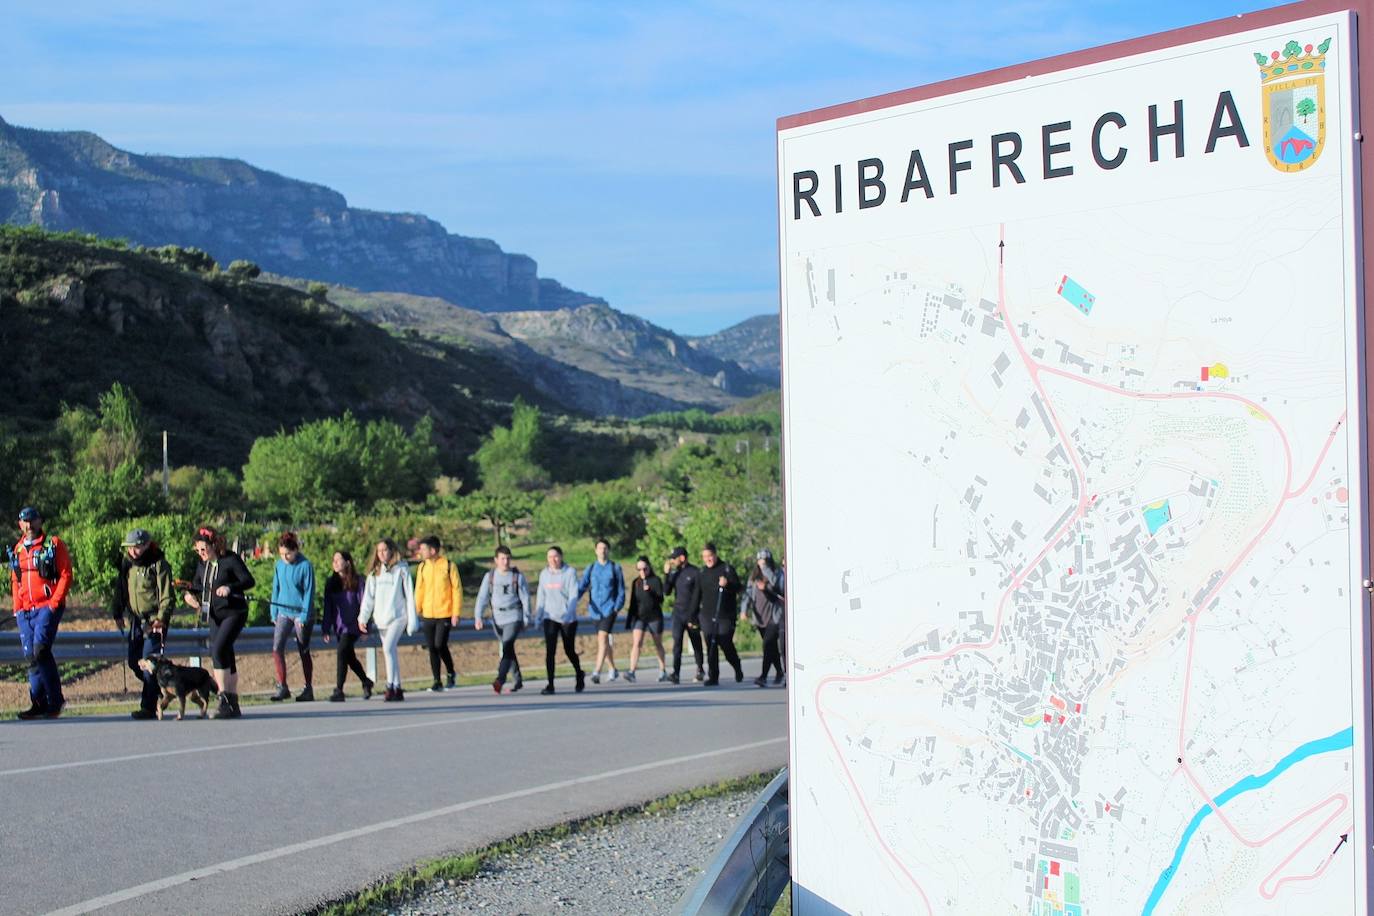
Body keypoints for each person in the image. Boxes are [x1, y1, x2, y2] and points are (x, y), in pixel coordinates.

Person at [183, 526, 255, 719]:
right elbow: (196, 586)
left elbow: (248, 581)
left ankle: (223, 698)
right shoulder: (202, 565)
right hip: (214, 614)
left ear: (213, 545)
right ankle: (232, 700)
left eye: (203, 549)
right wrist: (189, 596)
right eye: (197, 550)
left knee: (218, 649)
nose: (201, 553)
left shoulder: (230, 560)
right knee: (225, 653)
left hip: (234, 612)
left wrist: (230, 587)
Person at [10, 506, 73, 719]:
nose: (28, 526)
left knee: (41, 650)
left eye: (32, 521)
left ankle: (55, 702)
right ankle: (38, 703)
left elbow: (66, 574)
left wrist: (55, 602)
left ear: (39, 521)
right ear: (20, 524)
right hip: (25, 611)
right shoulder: (18, 549)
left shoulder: (53, 544)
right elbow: (15, 580)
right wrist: (17, 608)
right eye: (24, 522)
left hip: (47, 606)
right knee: (31, 656)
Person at [114, 528, 174, 720]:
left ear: (147, 545)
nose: (133, 551)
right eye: (130, 547)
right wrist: (117, 612)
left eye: (137, 547)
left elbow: (167, 595)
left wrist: (161, 618)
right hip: (135, 622)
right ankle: (157, 689)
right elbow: (121, 589)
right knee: (134, 662)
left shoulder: (158, 564)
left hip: (153, 621)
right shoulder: (127, 564)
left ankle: (147, 707)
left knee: (149, 664)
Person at [359, 538, 418, 702]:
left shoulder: (402, 569)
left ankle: (390, 685)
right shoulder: (374, 573)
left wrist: (412, 620)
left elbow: (409, 596)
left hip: (398, 617)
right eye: (379, 551)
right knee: (390, 652)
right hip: (381, 618)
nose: (382, 553)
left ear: (392, 550)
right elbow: (368, 599)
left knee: (387, 649)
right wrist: (363, 618)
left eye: (385, 550)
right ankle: (398, 688)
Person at [475, 545, 531, 694]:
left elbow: (525, 598)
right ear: (496, 560)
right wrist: (478, 616)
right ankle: (518, 680)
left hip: (514, 616)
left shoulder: (517, 576)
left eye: (507, 558)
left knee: (506, 646)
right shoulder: (490, 576)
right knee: (508, 648)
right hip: (497, 618)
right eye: (502, 558)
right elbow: (482, 597)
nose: (505, 561)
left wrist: (526, 617)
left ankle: (500, 679)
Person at [321, 550, 374, 702]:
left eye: (338, 560)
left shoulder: (358, 581)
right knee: (349, 656)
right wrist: (326, 628)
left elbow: (365, 604)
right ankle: (366, 681)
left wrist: (366, 626)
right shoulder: (331, 584)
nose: (335, 563)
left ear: (347, 562)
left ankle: (339, 690)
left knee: (342, 651)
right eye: (334, 560)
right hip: (339, 626)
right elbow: (328, 607)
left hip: (354, 625)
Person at [270, 532, 316, 702]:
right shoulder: (279, 565)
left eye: (288, 553)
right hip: (283, 611)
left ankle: (308, 687)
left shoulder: (305, 565)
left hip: (300, 613)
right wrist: (273, 611)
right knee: (277, 648)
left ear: (295, 550)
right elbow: (276, 588)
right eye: (281, 554)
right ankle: (282, 686)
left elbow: (309, 592)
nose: (285, 557)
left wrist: (304, 616)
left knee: (303, 650)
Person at [534, 545, 584, 695]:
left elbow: (574, 595)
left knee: (569, 650)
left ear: (561, 556)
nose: (553, 560)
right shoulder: (544, 574)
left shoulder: (569, 572)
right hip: (550, 617)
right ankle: (550, 684)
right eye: (550, 557)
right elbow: (541, 596)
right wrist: (538, 616)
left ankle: (579, 673)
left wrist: (569, 615)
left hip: (567, 618)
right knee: (550, 651)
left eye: (555, 556)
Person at [415, 535, 462, 691]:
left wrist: (456, 612)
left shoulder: (449, 566)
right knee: (431, 647)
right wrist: (416, 610)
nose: (420, 552)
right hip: (428, 613)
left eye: (423, 549)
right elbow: (419, 590)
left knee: (439, 644)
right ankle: (436, 680)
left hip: (445, 612)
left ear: (433, 550)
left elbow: (456, 590)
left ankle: (450, 672)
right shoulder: (422, 567)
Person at [577, 538, 625, 684]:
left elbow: (621, 590)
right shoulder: (591, 568)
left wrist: (617, 607)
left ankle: (596, 671)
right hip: (595, 610)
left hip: (609, 609)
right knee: (603, 641)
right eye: (600, 548)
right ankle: (612, 669)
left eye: (605, 548)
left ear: (608, 550)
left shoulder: (615, 568)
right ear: (595, 550)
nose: (602, 551)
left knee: (602, 639)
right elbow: (582, 587)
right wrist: (573, 602)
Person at [698, 542, 743, 686]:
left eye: (710, 556)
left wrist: (727, 584)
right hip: (707, 615)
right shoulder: (703, 572)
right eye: (705, 557)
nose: (708, 559)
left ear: (715, 555)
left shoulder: (726, 569)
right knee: (711, 646)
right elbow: (696, 595)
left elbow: (738, 588)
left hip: (725, 615)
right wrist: (692, 615)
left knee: (725, 644)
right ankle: (713, 676)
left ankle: (736, 666)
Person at [745, 549, 786, 687]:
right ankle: (780, 672)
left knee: (767, 644)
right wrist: (744, 610)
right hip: (760, 617)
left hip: (774, 616)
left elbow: (779, 586)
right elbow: (748, 594)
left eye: (765, 561)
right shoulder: (753, 576)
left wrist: (766, 572)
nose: (762, 564)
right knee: (771, 647)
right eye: (760, 562)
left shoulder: (776, 573)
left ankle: (763, 676)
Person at [663, 546, 704, 684]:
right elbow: (666, 591)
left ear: (682, 557)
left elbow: (698, 595)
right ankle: (676, 673)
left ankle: (700, 668)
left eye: (674, 558)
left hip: (692, 614)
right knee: (677, 643)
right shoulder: (675, 573)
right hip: (678, 614)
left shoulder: (695, 572)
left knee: (695, 642)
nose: (673, 561)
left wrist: (694, 615)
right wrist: (667, 575)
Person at [624, 555, 667, 682]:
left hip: (654, 617)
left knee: (657, 643)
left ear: (649, 568)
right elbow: (633, 602)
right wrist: (629, 619)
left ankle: (662, 670)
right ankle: (632, 671)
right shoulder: (635, 582)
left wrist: (651, 592)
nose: (642, 572)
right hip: (639, 617)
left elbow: (661, 599)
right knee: (637, 643)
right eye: (639, 569)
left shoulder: (655, 580)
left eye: (645, 569)